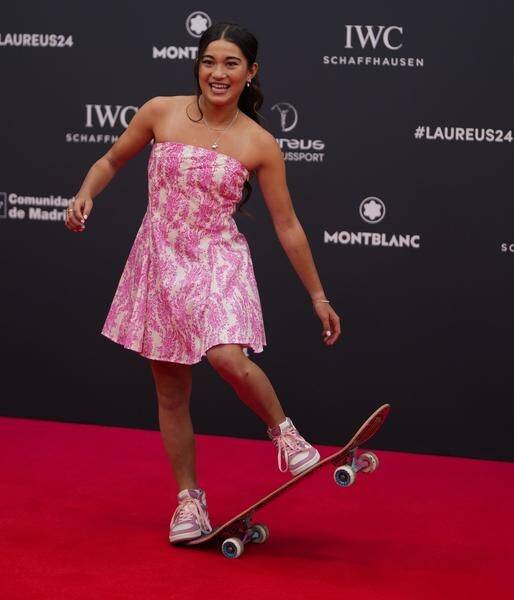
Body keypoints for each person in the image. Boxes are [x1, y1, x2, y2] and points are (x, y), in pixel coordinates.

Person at [64, 22, 341, 544]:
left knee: (227, 357)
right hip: (159, 261)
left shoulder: (259, 143)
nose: (218, 72)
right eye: (209, 61)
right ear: (198, 65)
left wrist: (318, 296)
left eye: (231, 63)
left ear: (250, 72)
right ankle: (189, 502)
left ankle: (286, 435)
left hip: (218, 258)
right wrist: (86, 192)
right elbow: (111, 160)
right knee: (171, 393)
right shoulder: (160, 111)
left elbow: (287, 226)